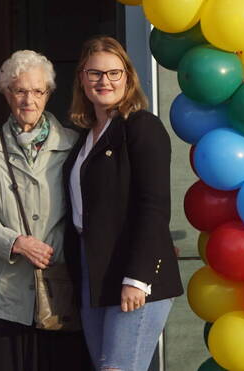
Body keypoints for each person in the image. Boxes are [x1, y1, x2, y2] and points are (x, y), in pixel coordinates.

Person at [64, 36, 183, 371]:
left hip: (132, 270)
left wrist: (137, 278)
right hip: (94, 271)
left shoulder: (141, 126)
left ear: (129, 78)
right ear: (82, 79)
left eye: (114, 73)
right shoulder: (84, 138)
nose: (105, 82)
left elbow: (154, 207)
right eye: (95, 74)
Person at [0, 50, 87, 370]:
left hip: (59, 293)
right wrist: (16, 242)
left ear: (49, 94)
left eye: (38, 91)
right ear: (6, 93)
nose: (29, 100)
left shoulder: (73, 144)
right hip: (7, 296)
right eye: (20, 90)